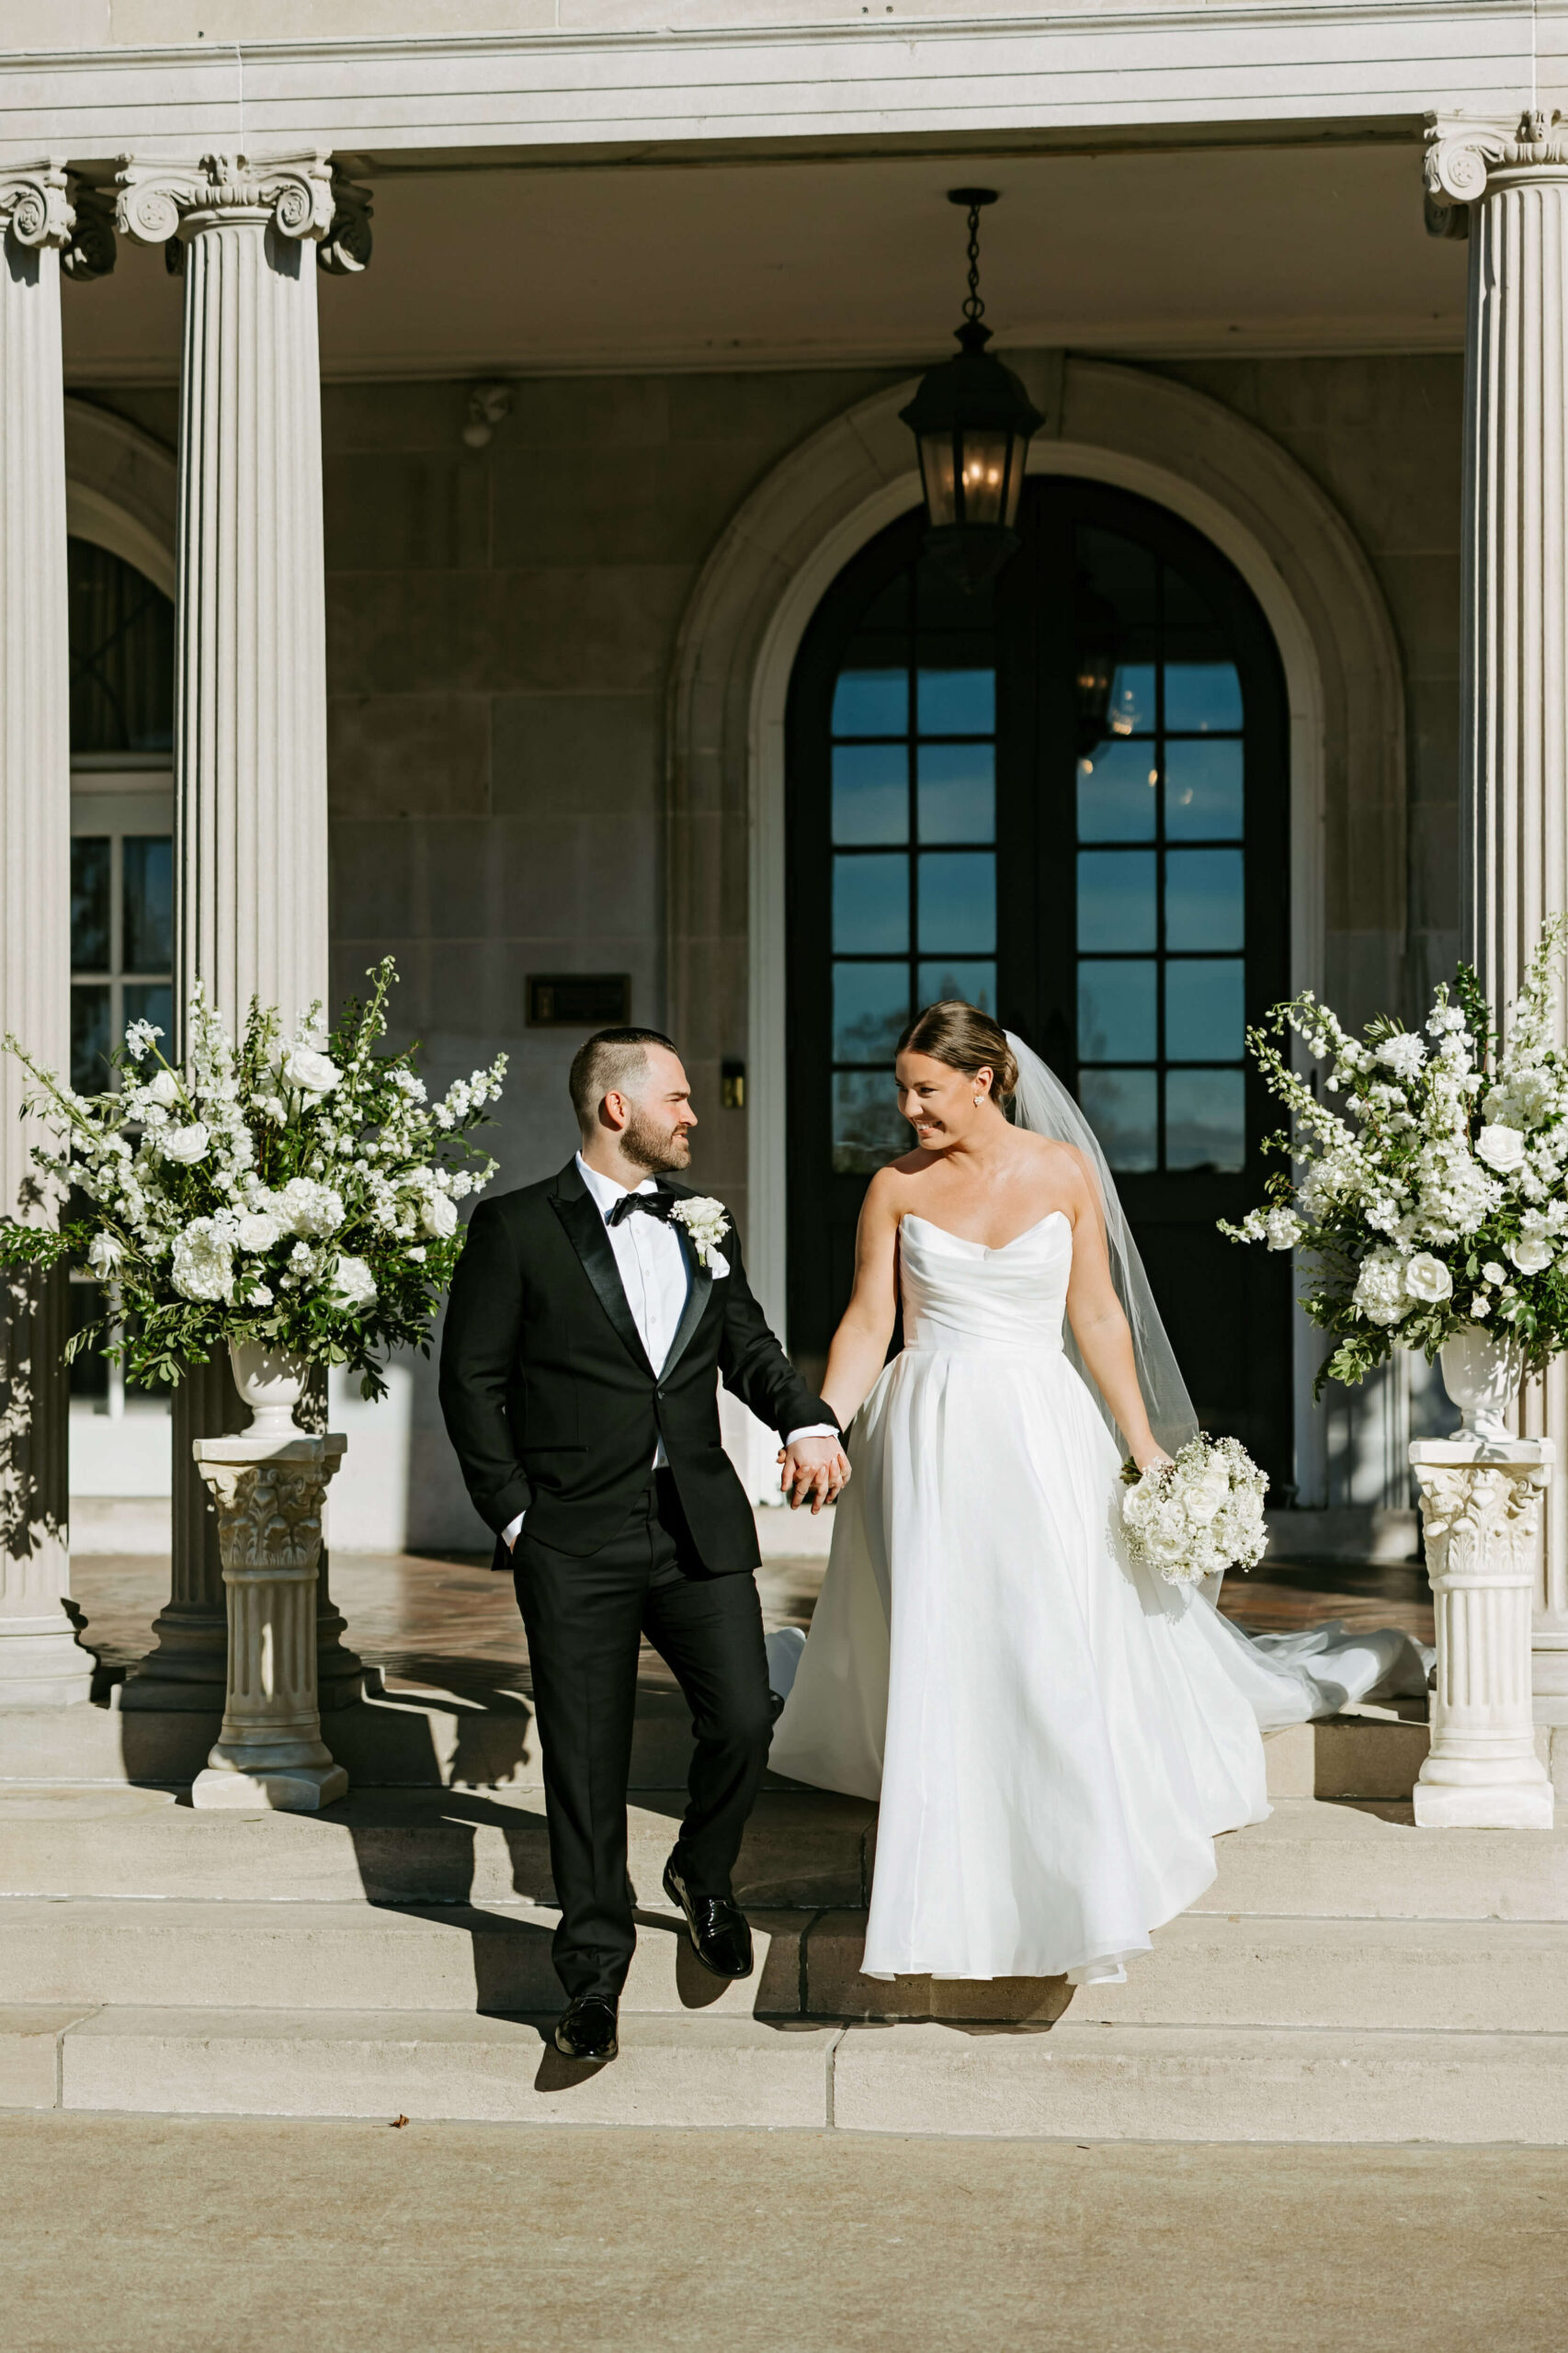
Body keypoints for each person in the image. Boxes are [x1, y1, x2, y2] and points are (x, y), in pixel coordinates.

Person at [768, 1001, 1430, 1987]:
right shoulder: (891, 1188)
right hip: (929, 1424)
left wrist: (1143, 1446)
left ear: (983, 1079)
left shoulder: (1060, 1171)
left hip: (1040, 1425)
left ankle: (1069, 1855)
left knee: (1043, 1623)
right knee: (948, 1623)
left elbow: (1095, 1314)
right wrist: (821, 1419)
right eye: (902, 1092)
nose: (907, 1110)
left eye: (925, 1090)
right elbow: (868, 1319)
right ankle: (950, 1816)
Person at [439, 1026, 849, 2061]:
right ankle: (589, 1981)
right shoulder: (515, 1227)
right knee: (583, 1762)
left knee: (746, 1719)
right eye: (677, 1096)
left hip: (694, 1524)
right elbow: (470, 1383)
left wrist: (806, 1418)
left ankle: (701, 1872)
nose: (693, 1116)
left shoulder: (702, 1223)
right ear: (615, 1107)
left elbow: (745, 1343)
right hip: (571, 1536)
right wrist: (517, 1516)